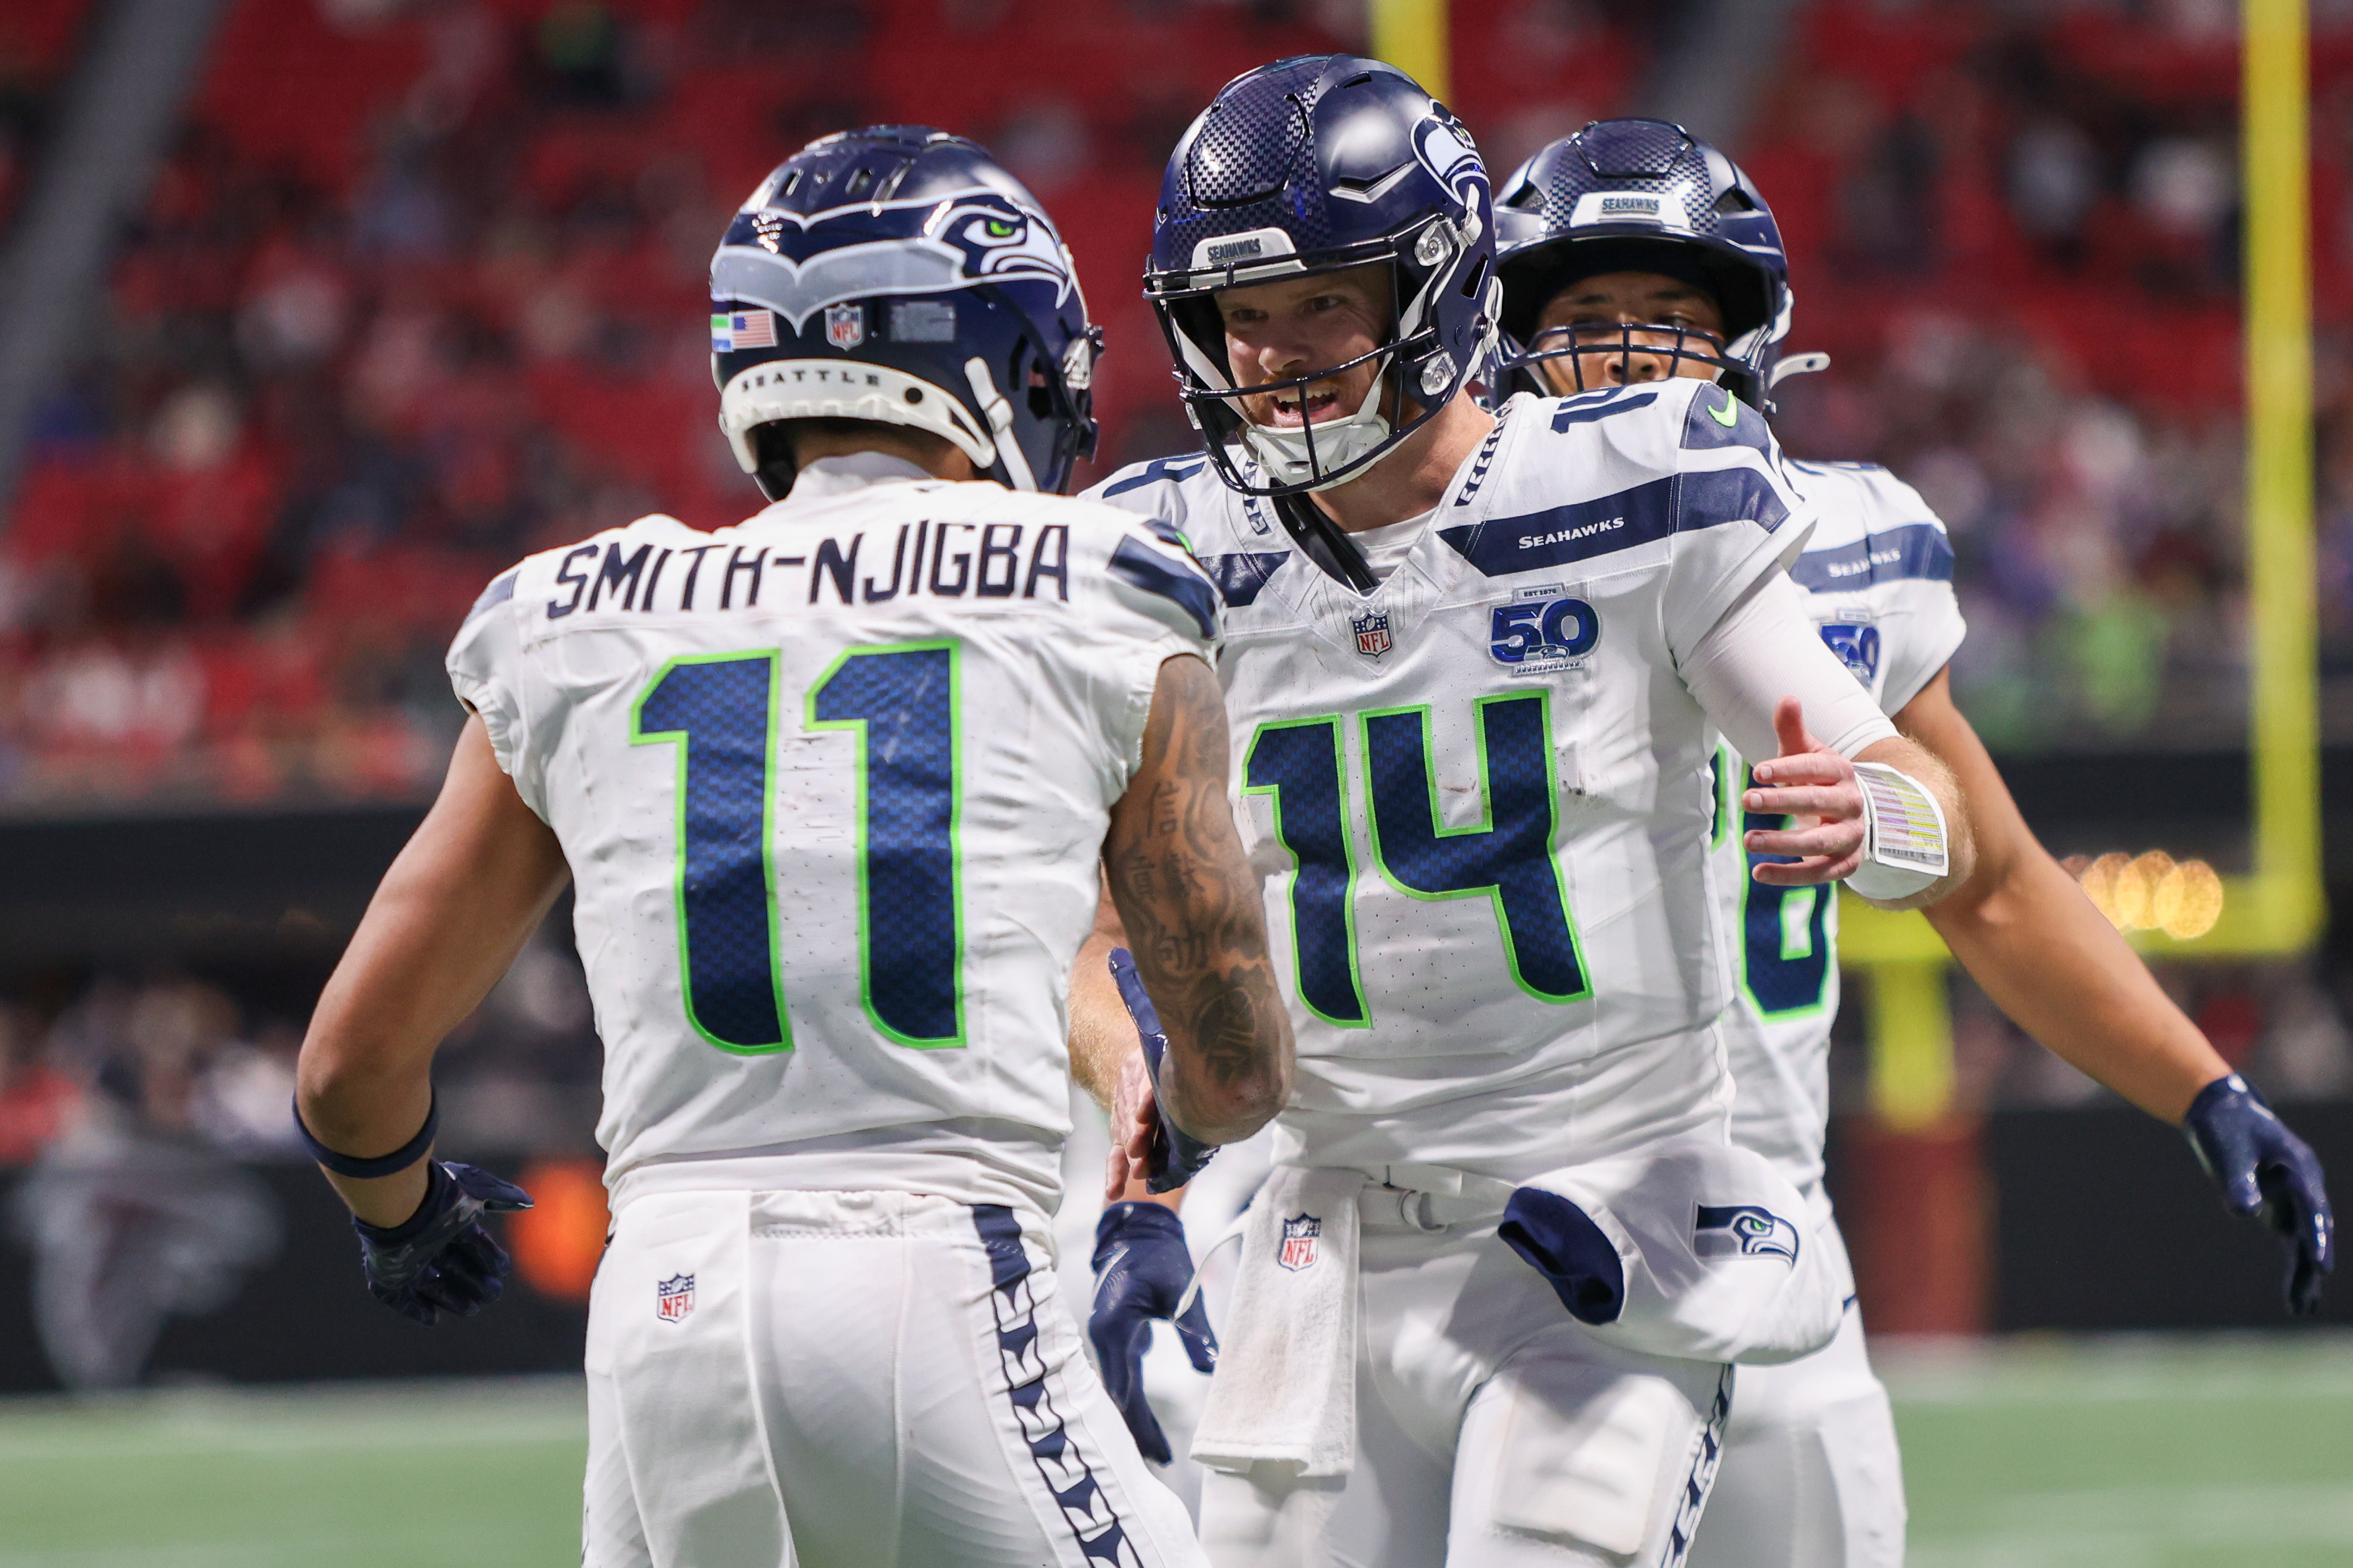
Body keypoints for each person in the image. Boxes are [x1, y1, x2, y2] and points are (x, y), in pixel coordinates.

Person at [291, 125, 1294, 1568]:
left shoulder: (573, 615)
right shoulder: (1099, 588)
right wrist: (1170, 1146)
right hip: (938, 1268)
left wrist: (405, 1218)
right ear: (997, 361)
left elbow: (347, 1067)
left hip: (663, 1308)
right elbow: (1239, 1060)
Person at [1076, 57, 1976, 1568]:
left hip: (1600, 1220)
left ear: (1431, 294)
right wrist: (1131, 1071)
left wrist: (1865, 821)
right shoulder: (1164, 547)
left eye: (1322, 304)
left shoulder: (1636, 483)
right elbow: (1097, 914)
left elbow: (1929, 806)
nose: (1277, 357)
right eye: (1243, 315)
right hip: (1322, 1232)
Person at [1488, 117, 2337, 1568]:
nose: (1628, 358)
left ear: (1747, 339)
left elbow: (1991, 881)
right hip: (1493, 1235)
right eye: (1583, 321)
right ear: (1504, 342)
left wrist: (2200, 1086)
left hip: (1766, 1241)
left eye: (1672, 320)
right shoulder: (1420, 565)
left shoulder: (1853, 545)